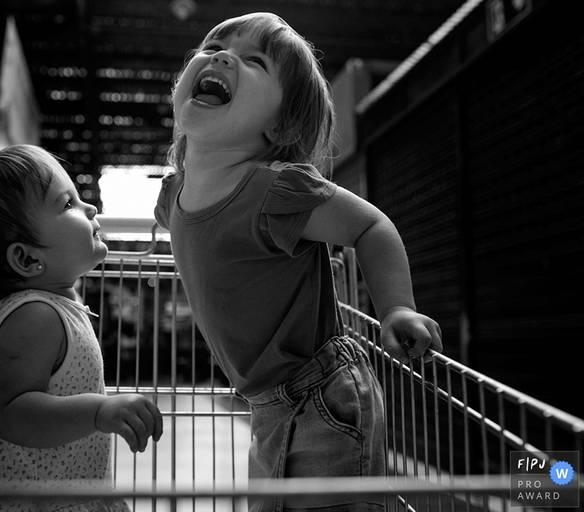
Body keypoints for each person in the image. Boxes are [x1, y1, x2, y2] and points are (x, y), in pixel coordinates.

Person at [154, 12, 443, 512]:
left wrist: (397, 307)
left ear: (281, 123)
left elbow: (371, 226)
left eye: (254, 61)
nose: (222, 56)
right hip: (265, 404)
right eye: (214, 45)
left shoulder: (276, 190)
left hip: (322, 397)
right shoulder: (171, 197)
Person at [0, 144, 163, 511]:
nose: (90, 208)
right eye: (68, 204)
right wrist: (99, 412)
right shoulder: (34, 316)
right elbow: (12, 413)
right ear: (28, 258)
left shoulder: (48, 306)